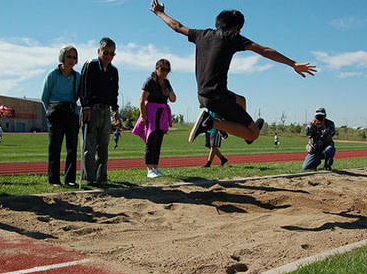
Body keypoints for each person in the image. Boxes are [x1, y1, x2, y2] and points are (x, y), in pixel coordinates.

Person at [150, 1, 317, 145]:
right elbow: (264, 50)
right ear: (236, 27)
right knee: (254, 133)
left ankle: (229, 127)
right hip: (216, 97)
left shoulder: (201, 34)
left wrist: (159, 13)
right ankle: (212, 123)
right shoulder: (231, 37)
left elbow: (177, 26)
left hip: (203, 95)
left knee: (241, 100)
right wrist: (292, 63)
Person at [79, 37, 121, 185]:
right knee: (88, 145)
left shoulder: (114, 71)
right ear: (99, 51)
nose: (109, 57)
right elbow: (83, 87)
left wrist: (116, 111)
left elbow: (114, 92)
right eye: (106, 53)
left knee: (103, 146)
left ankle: (101, 176)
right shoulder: (90, 65)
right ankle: (90, 177)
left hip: (106, 110)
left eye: (112, 54)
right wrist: (86, 107)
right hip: (91, 109)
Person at [41, 45, 80, 187]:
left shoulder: (77, 77)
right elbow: (44, 97)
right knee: (54, 147)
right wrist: (49, 113)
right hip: (55, 115)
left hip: (71, 115)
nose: (71, 60)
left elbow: (78, 97)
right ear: (62, 57)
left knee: (72, 148)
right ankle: (54, 179)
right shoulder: (53, 75)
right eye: (68, 56)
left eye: (74, 57)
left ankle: (70, 179)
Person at [133, 59, 176, 178]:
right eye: (162, 69)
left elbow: (173, 99)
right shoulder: (149, 81)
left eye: (167, 70)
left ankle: (155, 167)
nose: (164, 72)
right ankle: (149, 169)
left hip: (162, 113)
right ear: (156, 68)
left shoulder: (166, 83)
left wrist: (168, 93)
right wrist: (143, 116)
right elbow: (142, 99)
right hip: (151, 112)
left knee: (158, 140)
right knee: (151, 140)